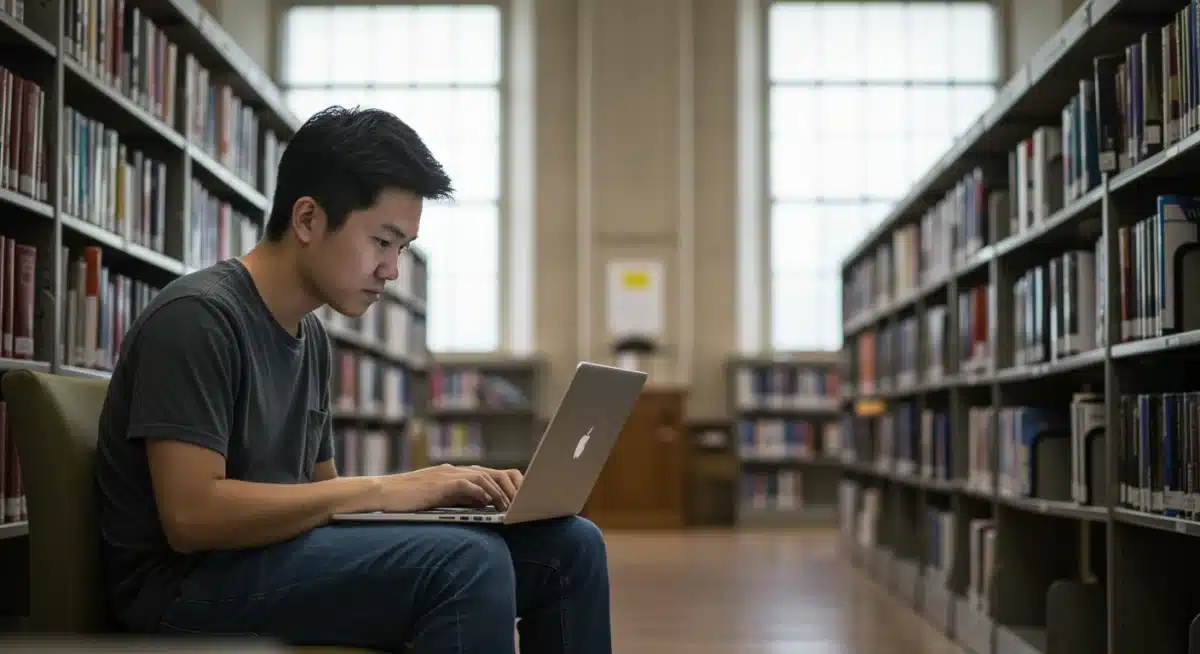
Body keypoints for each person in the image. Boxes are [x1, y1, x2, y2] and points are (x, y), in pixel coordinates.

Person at [93, 105, 612, 653]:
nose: (391, 270)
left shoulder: (311, 338)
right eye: (382, 242)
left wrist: (435, 503)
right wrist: (390, 490)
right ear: (309, 219)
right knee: (466, 563)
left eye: (402, 249)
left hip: (269, 559)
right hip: (182, 589)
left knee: (569, 547)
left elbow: (321, 496)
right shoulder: (198, 318)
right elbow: (192, 516)